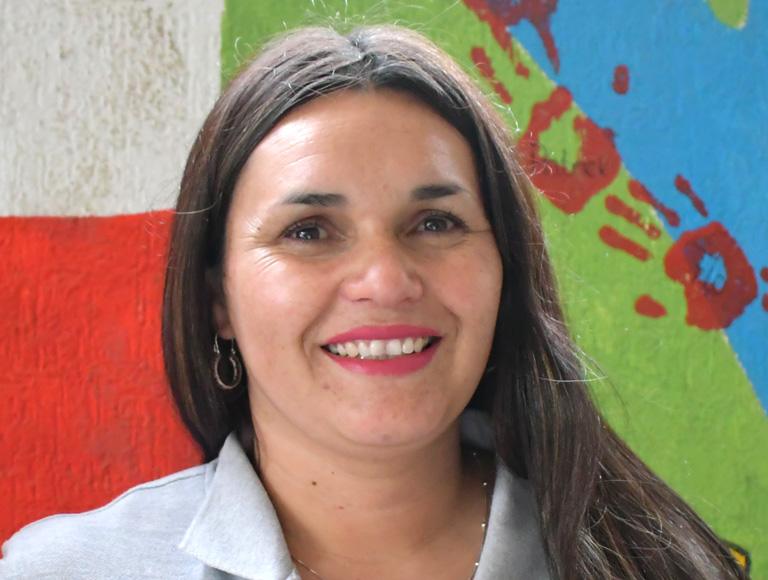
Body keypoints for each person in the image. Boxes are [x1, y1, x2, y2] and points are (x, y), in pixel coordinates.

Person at [0, 24, 748, 580]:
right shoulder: (63, 572)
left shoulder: (663, 565)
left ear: (505, 270)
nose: (387, 281)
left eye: (435, 223)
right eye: (308, 231)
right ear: (216, 301)